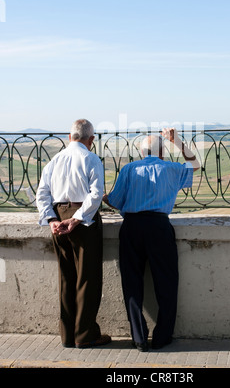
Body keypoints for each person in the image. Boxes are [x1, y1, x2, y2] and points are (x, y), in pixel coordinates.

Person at [103, 127, 200, 351]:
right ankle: (162, 336)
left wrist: (106, 197)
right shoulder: (172, 168)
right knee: (166, 282)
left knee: (132, 282)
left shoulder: (129, 169)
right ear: (162, 152)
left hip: (132, 227)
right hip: (159, 227)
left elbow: (116, 201)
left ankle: (138, 337)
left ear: (141, 153)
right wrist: (177, 141)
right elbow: (195, 164)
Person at [36, 119, 111, 349]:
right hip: (83, 220)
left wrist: (52, 220)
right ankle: (85, 334)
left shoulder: (54, 161)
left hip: (58, 216)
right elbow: (96, 194)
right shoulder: (91, 158)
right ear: (91, 140)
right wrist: (77, 218)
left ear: (70, 138)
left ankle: (67, 335)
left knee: (66, 277)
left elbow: (42, 194)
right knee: (87, 278)